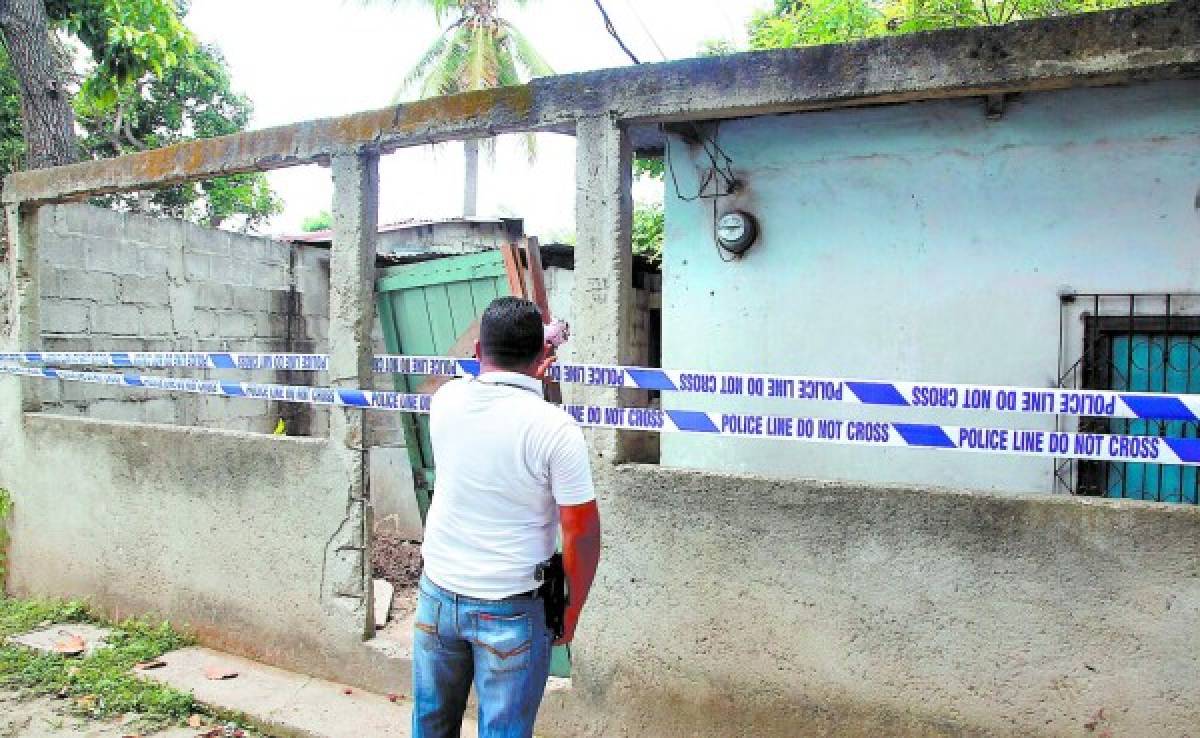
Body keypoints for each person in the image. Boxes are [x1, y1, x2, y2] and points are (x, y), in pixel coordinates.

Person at [412, 296, 603, 738]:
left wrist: (529, 349)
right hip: (513, 608)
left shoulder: (446, 401)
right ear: (541, 358)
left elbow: (454, 371)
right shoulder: (555, 430)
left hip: (437, 596)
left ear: (479, 352)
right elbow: (583, 534)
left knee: (431, 726)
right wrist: (568, 614)